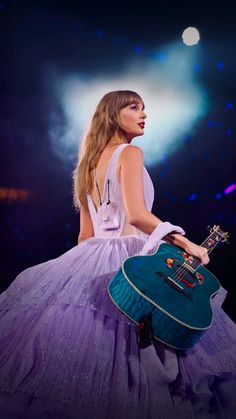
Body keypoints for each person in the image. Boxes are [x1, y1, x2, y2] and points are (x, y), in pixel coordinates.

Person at [0, 90, 235, 419]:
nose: (144, 114)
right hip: (130, 257)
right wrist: (186, 243)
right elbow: (137, 216)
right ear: (112, 114)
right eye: (134, 107)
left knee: (97, 358)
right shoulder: (129, 153)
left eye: (144, 108)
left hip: (89, 259)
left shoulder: (88, 163)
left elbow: (85, 235)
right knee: (148, 355)